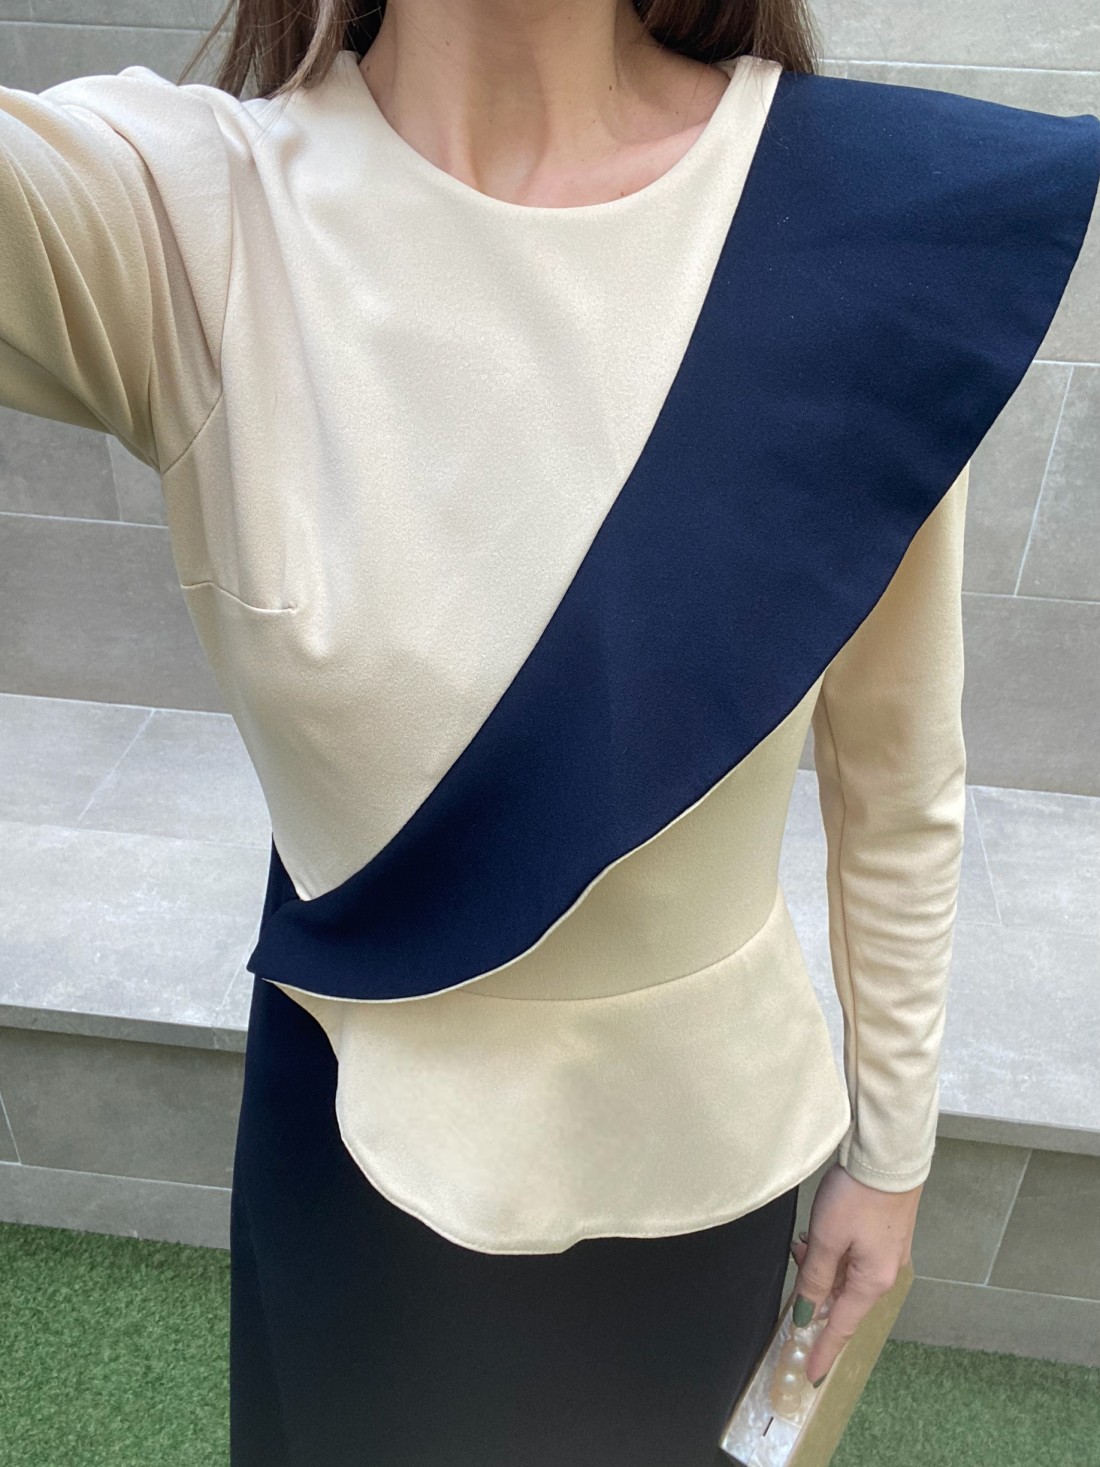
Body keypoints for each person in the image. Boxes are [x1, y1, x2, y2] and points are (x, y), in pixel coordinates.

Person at [2, 2, 1097, 1463]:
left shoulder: (866, 218)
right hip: (357, 1139)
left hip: (700, 1156)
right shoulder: (179, 214)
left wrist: (892, 1156)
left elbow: (897, 779)